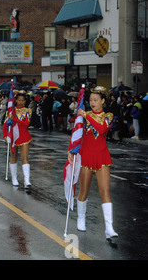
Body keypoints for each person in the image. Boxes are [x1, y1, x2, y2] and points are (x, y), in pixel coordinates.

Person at [68, 86, 118, 239]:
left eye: (96, 100)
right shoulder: (83, 115)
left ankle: (109, 228)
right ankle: (81, 218)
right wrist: (71, 150)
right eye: (90, 100)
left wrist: (86, 116)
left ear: (103, 100)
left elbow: (102, 130)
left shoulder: (108, 115)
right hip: (86, 157)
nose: (92, 102)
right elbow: (77, 134)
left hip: (102, 156)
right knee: (84, 191)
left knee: (105, 192)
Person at [3, 91, 32, 188]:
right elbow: (5, 126)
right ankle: (14, 178)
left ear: (25, 101)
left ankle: (27, 180)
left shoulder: (27, 110)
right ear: (15, 100)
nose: (20, 102)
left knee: (25, 158)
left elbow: (26, 124)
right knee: (13, 157)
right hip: (13, 136)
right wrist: (6, 136)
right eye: (19, 100)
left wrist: (14, 119)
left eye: (22, 100)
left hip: (24, 136)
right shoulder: (11, 111)